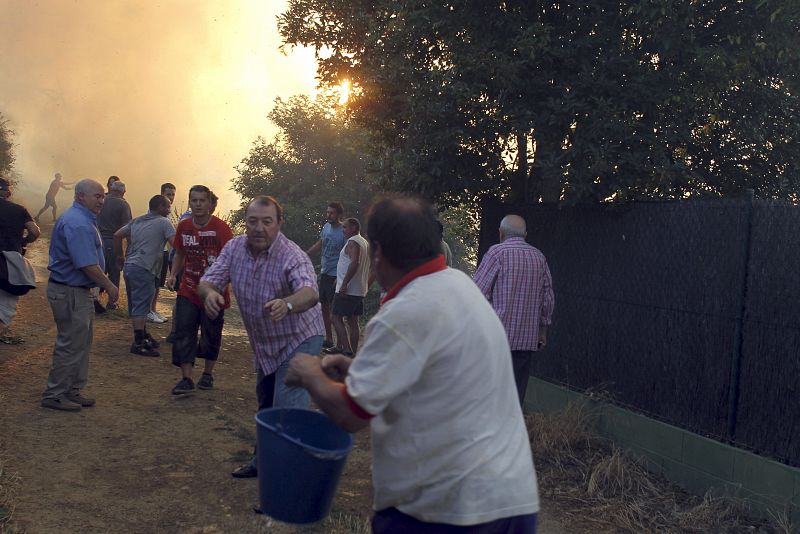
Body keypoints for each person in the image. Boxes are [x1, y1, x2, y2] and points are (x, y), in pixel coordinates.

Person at [286, 196, 540, 532]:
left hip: (443, 511)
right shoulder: (461, 287)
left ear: (378, 252)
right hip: (513, 500)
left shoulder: (402, 313)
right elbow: (435, 379)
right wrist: (360, 373)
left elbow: (350, 413)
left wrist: (309, 373)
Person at [198, 195, 324, 479]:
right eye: (253, 221)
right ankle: (262, 462)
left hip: (300, 337)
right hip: (266, 343)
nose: (259, 228)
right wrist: (210, 294)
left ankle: (288, 479)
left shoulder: (292, 255)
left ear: (279, 223)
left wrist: (288, 303)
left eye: (267, 222)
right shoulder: (234, 248)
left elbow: (310, 292)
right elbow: (207, 281)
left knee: (287, 404)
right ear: (245, 222)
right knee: (267, 401)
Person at [41, 179, 119, 411]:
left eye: (103, 196)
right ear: (81, 196)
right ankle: (55, 394)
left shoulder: (82, 218)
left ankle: (71, 390)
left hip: (75, 291)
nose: (101, 200)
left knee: (80, 343)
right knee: (71, 344)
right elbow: (86, 264)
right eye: (97, 196)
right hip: (70, 291)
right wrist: (109, 285)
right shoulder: (78, 223)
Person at [474, 214, 554, 406]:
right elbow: (548, 298)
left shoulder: (496, 253)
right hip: (526, 341)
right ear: (525, 235)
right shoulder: (539, 257)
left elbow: (476, 292)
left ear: (500, 233)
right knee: (515, 396)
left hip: (496, 337)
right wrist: (542, 330)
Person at [166, 185, 233, 395]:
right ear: (189, 202)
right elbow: (180, 253)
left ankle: (207, 373)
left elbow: (230, 259)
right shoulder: (184, 226)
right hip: (189, 289)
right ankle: (186, 378)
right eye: (194, 200)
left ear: (209, 203)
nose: (197, 204)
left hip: (214, 292)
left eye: (202, 200)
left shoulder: (221, 228)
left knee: (211, 333)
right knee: (184, 331)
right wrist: (173, 274)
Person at [114, 194, 175, 356]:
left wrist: (120, 255)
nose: (169, 209)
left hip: (130, 266)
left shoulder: (137, 221)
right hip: (144, 267)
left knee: (138, 304)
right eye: (168, 206)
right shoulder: (164, 222)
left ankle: (145, 335)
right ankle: (139, 342)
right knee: (142, 306)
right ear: (160, 207)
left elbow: (117, 235)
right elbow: (175, 244)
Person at [0, 177, 40, 338]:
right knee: (4, 307)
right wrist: (24, 241)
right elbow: (35, 232)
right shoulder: (19, 210)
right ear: (7, 192)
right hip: (8, 264)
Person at [325, 217, 370, 356]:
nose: (342, 230)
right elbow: (349, 264)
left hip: (348, 289)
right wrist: (339, 279)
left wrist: (344, 283)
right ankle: (350, 351)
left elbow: (355, 262)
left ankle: (347, 350)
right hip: (358, 289)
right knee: (352, 320)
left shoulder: (353, 242)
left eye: (345, 227)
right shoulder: (364, 242)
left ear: (354, 228)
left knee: (335, 317)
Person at [305, 202, 344, 349]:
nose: (329, 215)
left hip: (336, 274)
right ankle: (329, 339)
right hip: (325, 272)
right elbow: (321, 243)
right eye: (327, 212)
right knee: (323, 307)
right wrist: (306, 254)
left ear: (339, 215)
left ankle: (340, 344)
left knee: (336, 312)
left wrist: (342, 276)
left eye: (332, 213)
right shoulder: (326, 227)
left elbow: (348, 254)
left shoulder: (344, 231)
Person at [96, 180, 132, 310]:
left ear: (111, 189)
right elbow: (128, 227)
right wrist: (130, 246)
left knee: (97, 270)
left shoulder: (101, 200)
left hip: (97, 239)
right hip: (113, 241)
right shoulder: (123, 204)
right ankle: (112, 302)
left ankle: (94, 298)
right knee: (115, 271)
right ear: (124, 192)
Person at [148, 182, 177, 324]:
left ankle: (153, 309)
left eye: (173, 194)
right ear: (161, 194)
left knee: (158, 283)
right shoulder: (156, 212)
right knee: (152, 283)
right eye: (168, 194)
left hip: (164, 251)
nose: (171, 197)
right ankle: (148, 310)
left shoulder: (167, 213)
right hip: (155, 252)